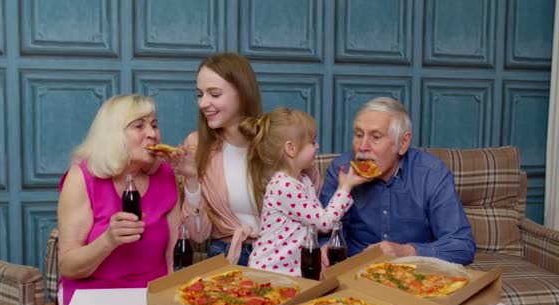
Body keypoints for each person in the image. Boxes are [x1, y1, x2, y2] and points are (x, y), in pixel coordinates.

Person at [56, 94, 180, 305]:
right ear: (114, 135)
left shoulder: (166, 175)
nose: (152, 134)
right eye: (139, 126)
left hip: (152, 293)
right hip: (93, 294)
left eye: (154, 125)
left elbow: (173, 257)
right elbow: (68, 266)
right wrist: (109, 240)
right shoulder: (81, 178)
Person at [319, 97, 476, 266]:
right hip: (354, 271)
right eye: (358, 135)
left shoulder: (432, 174)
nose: (362, 146)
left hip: (414, 273)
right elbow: (325, 229)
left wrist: (407, 251)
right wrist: (324, 247)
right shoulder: (341, 170)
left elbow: (462, 245)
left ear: (403, 143)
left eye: (376, 137)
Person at [241, 107, 363, 276]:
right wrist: (345, 187)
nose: (317, 146)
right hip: (269, 271)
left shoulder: (302, 180)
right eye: (312, 142)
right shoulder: (284, 187)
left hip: (291, 271)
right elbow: (324, 223)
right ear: (291, 149)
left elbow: (314, 217)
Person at [171, 52, 263, 266]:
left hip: (278, 254)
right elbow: (198, 235)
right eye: (200, 94)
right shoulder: (196, 145)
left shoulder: (274, 141)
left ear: (242, 93)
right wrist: (192, 179)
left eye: (214, 94)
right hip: (226, 254)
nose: (203, 103)